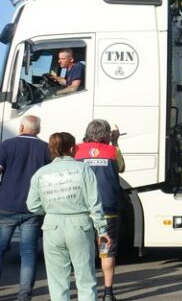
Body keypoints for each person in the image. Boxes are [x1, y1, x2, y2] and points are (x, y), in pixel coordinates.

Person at [26, 132, 111, 301]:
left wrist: (51, 208)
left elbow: (32, 205)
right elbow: (94, 203)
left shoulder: (41, 173)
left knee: (57, 282)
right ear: (72, 148)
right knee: (86, 280)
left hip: (52, 224)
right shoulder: (83, 169)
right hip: (80, 224)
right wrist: (102, 230)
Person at [0, 115, 50, 301]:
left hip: (7, 204)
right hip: (33, 208)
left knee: (0, 249)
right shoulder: (46, 149)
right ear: (38, 130)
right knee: (28, 252)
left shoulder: (7, 145)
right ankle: (24, 295)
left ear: (21, 127)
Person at [74, 119, 125, 301]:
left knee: (84, 251)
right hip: (107, 210)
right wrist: (115, 142)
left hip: (83, 210)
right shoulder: (112, 151)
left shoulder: (76, 150)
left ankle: (86, 292)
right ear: (107, 134)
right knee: (106, 251)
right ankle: (108, 293)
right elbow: (121, 168)